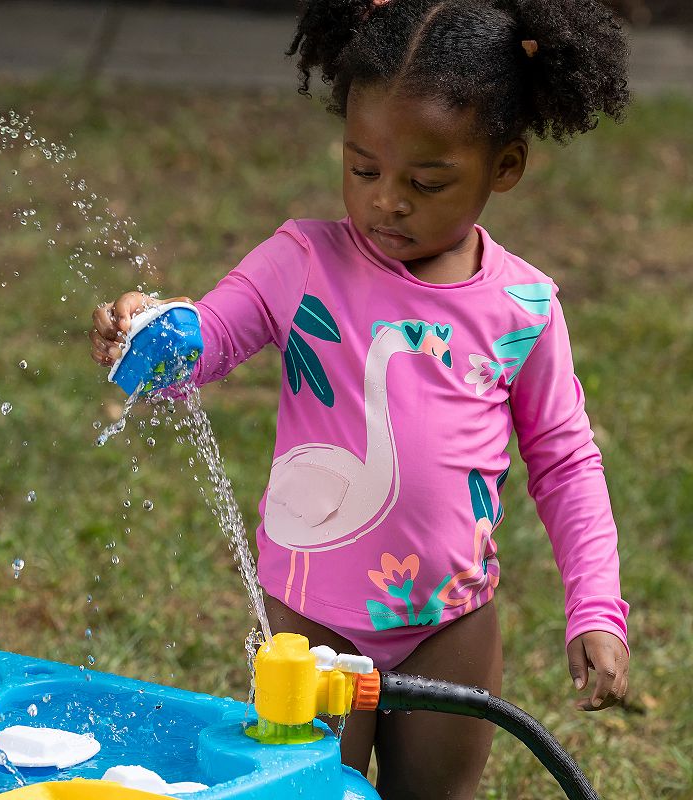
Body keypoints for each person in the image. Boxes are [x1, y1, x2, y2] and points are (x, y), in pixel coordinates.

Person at [89, 1, 631, 796]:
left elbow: (565, 460)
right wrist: (149, 333)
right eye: (362, 168)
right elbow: (207, 338)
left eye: (427, 181)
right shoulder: (301, 262)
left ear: (504, 167)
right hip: (308, 628)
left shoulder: (525, 310)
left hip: (451, 627)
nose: (386, 201)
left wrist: (595, 608)